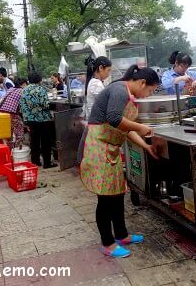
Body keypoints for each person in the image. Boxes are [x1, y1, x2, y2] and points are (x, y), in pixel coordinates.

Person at [80, 65, 160, 258]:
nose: (148, 95)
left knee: (116, 194)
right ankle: (107, 243)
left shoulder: (127, 94)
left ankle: (122, 235)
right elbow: (114, 119)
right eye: (150, 90)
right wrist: (142, 127)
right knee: (105, 199)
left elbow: (127, 129)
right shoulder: (118, 90)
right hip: (98, 148)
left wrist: (146, 146)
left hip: (111, 150)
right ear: (142, 83)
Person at [20, 73, 56, 169]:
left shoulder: (24, 90)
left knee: (34, 141)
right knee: (45, 141)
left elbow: (23, 106)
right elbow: (45, 104)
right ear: (39, 80)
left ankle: (35, 162)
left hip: (31, 120)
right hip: (43, 119)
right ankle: (47, 163)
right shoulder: (41, 89)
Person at [0, 78, 28, 149]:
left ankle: (9, 151)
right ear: (24, 84)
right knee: (19, 132)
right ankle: (18, 150)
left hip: (1, 113)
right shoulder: (22, 91)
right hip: (11, 114)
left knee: (9, 133)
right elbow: (25, 105)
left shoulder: (10, 89)